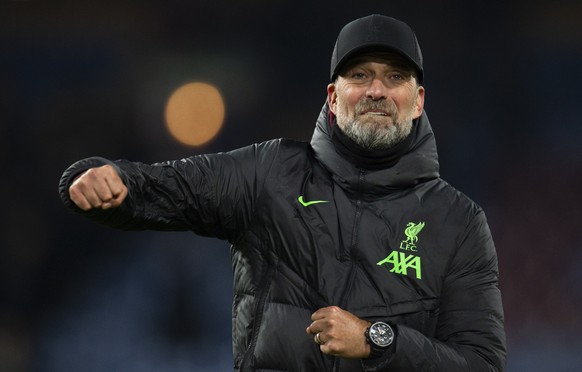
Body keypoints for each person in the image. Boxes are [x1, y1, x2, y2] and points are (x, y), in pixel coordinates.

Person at [59, 14, 506, 371]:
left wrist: (375, 341)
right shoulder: (270, 172)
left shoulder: (459, 221)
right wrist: (106, 177)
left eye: (394, 77)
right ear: (333, 97)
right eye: (359, 75)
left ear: (418, 100)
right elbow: (166, 188)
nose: (376, 90)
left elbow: (483, 363)